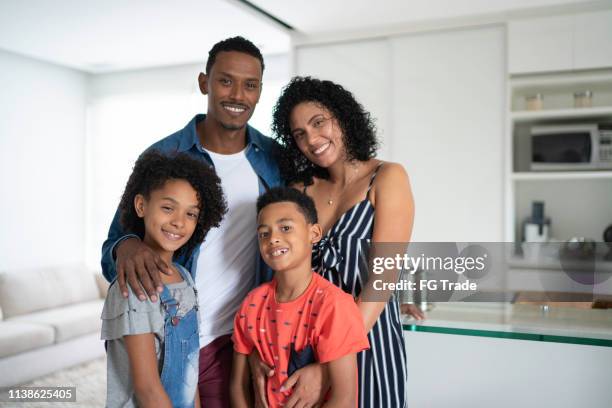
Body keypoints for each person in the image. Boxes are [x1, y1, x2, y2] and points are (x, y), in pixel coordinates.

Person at [101, 36, 282, 407]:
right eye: (225, 80)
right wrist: (128, 245)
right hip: (175, 335)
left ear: (261, 91)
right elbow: (112, 250)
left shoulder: (274, 160)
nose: (238, 94)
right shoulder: (163, 154)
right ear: (205, 83)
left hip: (240, 339)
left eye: (251, 85)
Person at [268, 76, 417, 407]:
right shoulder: (298, 191)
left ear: (343, 117)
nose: (312, 139)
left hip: (367, 341)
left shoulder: (388, 178)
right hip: (303, 346)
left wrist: (327, 366)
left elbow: (381, 284)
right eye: (299, 134)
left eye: (319, 122)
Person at [101, 151, 227, 408]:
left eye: (191, 214)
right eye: (168, 208)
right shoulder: (134, 288)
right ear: (141, 206)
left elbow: (190, 374)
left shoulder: (186, 277)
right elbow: (147, 389)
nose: (179, 222)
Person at [231, 187, 370, 408]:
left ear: (314, 234)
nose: (273, 239)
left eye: (285, 228)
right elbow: (237, 386)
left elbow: (345, 399)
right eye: (264, 233)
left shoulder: (334, 305)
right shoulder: (252, 303)